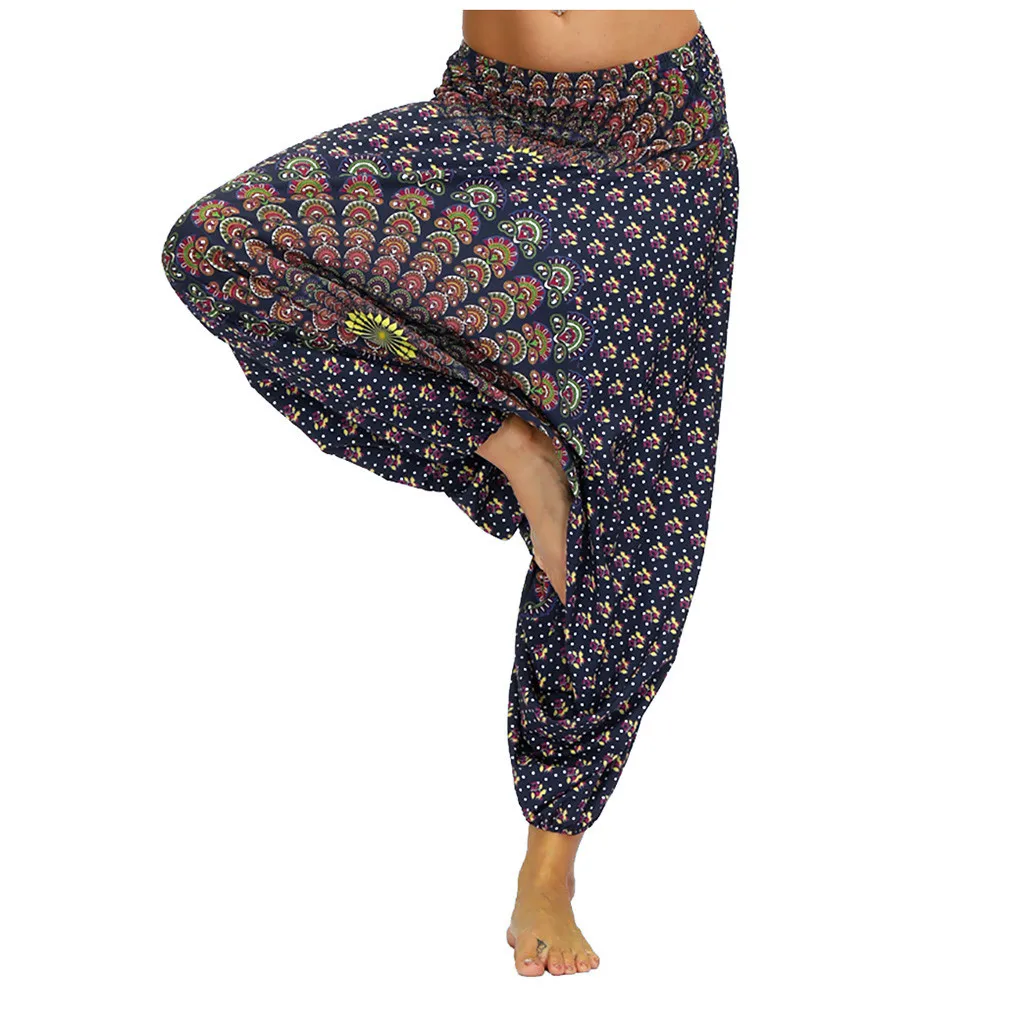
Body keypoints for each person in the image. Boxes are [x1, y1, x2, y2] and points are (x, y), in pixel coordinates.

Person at [160, 8, 739, 977]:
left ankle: (550, 866)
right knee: (218, 245)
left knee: (633, 510)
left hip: (653, 140)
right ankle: (502, 438)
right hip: (484, 115)